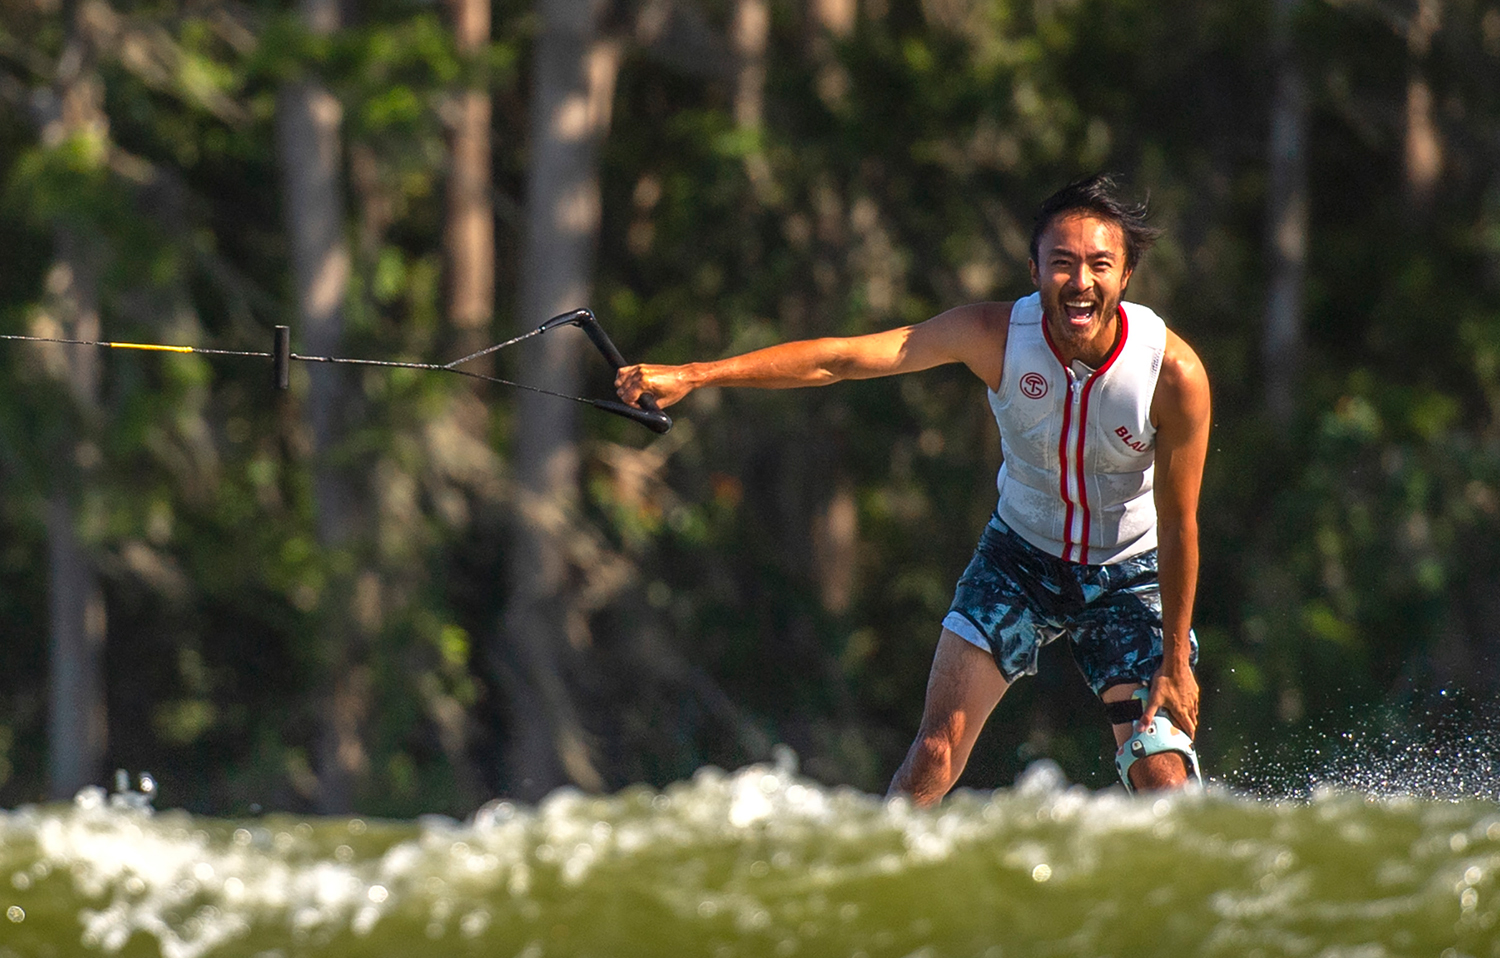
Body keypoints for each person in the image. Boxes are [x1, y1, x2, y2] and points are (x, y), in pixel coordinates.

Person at [614, 174, 1211, 800]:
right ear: (1034, 270)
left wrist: (1175, 663)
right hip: (1019, 559)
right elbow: (840, 358)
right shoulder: (996, 335)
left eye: (1099, 265)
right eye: (1061, 264)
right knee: (932, 756)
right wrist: (694, 374)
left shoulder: (1171, 374)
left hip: (1127, 570)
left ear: (1126, 277)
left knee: (1160, 774)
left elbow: (1178, 526)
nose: (1080, 283)